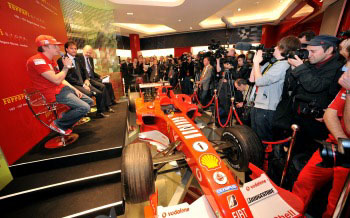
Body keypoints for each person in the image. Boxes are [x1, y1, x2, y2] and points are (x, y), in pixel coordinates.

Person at [292, 68, 350, 217]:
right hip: (337, 144)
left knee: (336, 204)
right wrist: (343, 143)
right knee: (304, 182)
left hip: (345, 154)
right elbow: (329, 114)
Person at [286, 35, 344, 154]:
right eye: (308, 51)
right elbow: (291, 85)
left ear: (329, 50)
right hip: (299, 116)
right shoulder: (309, 63)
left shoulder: (337, 67)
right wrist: (293, 67)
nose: (309, 54)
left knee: (309, 155)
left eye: (313, 51)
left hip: (318, 123)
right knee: (293, 153)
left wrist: (300, 68)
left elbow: (315, 86)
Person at [26, 35, 93, 135]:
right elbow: (56, 80)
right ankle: (58, 124)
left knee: (89, 101)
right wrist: (66, 67)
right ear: (45, 47)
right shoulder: (37, 61)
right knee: (84, 107)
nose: (58, 48)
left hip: (62, 89)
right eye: (54, 46)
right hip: (53, 93)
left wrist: (74, 89)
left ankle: (65, 116)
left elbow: (61, 79)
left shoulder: (51, 60)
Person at [249, 35, 301, 141]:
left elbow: (260, 81)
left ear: (283, 49)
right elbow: (252, 79)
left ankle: (264, 157)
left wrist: (256, 62)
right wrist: (257, 63)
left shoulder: (283, 65)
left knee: (262, 139)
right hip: (257, 104)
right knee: (255, 137)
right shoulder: (271, 63)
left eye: (277, 46)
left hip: (267, 108)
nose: (275, 48)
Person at [57, 41, 111, 118]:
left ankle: (99, 112)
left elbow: (84, 70)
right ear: (66, 49)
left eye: (75, 48)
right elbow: (68, 77)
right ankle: (82, 113)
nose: (74, 50)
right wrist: (82, 85)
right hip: (72, 84)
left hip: (83, 83)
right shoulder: (62, 60)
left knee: (99, 93)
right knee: (89, 94)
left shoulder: (77, 59)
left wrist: (86, 79)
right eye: (71, 48)